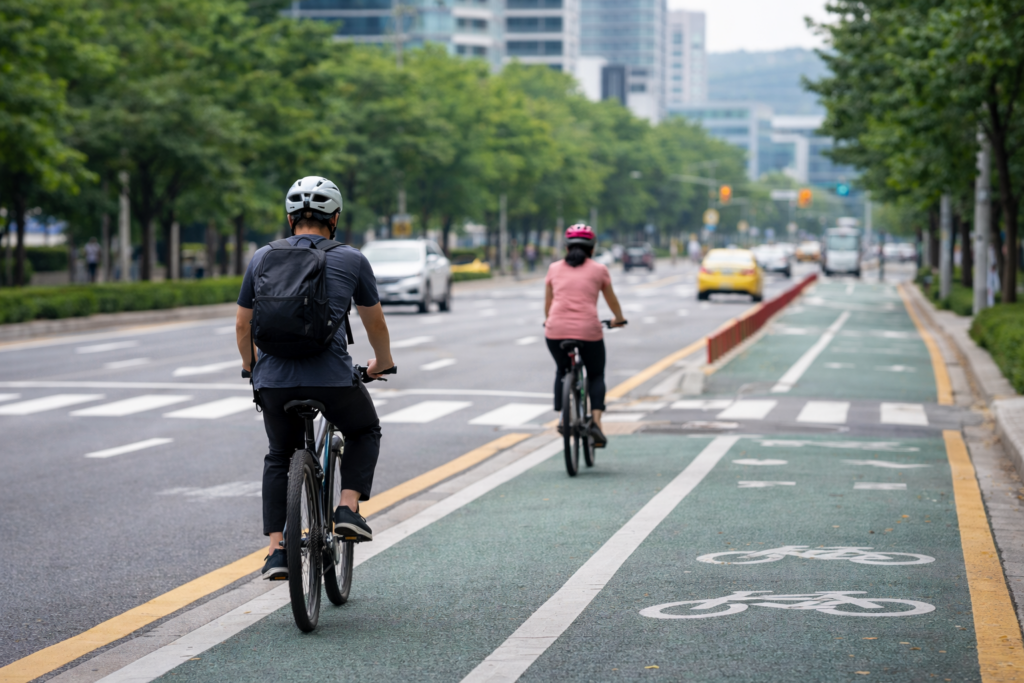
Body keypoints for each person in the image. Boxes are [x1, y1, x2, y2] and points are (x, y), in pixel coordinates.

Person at [235, 176, 395, 581]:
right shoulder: (352, 259)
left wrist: (252, 366)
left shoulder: (261, 257)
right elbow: (374, 322)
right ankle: (347, 508)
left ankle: (276, 550)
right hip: (332, 380)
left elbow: (242, 324)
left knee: (278, 455)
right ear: (335, 218)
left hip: (273, 380)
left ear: (290, 219)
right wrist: (382, 362)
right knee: (364, 430)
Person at [543, 224, 626, 449]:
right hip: (589, 331)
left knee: (562, 370)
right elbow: (611, 300)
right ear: (592, 249)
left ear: (567, 248)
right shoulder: (599, 270)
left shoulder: (553, 269)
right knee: (596, 374)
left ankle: (563, 418)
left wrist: (549, 321)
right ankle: (596, 423)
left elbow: (548, 305)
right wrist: (618, 318)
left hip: (555, 330)